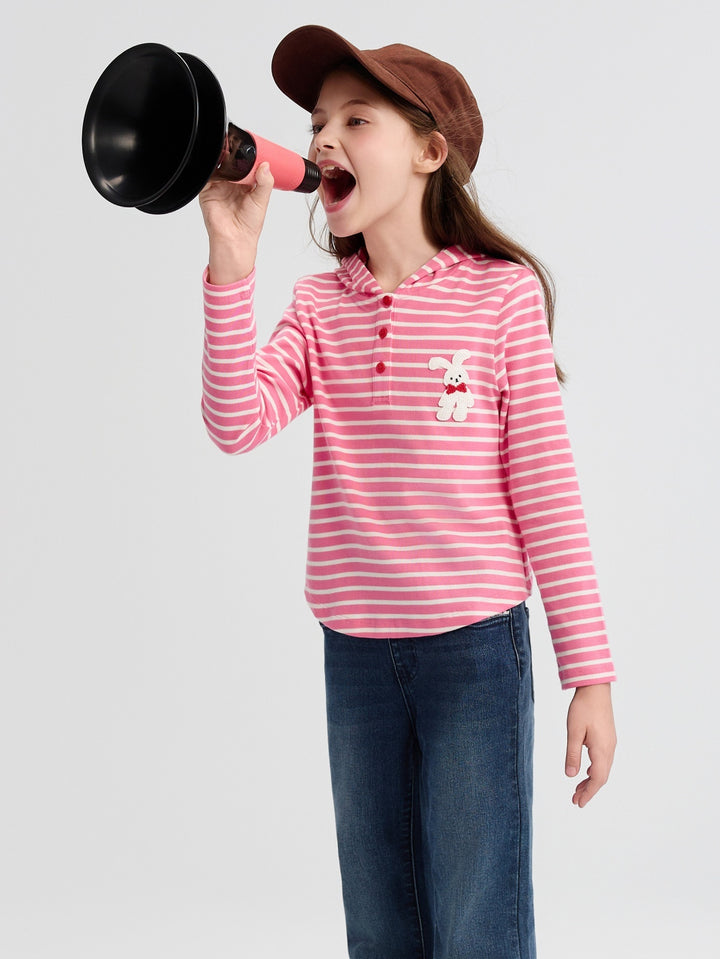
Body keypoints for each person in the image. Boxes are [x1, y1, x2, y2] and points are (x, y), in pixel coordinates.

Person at [199, 24, 617, 959]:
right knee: (382, 925)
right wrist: (232, 260)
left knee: (477, 924)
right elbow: (235, 422)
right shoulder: (319, 308)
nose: (322, 140)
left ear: (430, 151)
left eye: (356, 119)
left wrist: (588, 675)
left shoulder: (500, 296)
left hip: (475, 651)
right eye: (317, 123)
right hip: (355, 654)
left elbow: (548, 491)